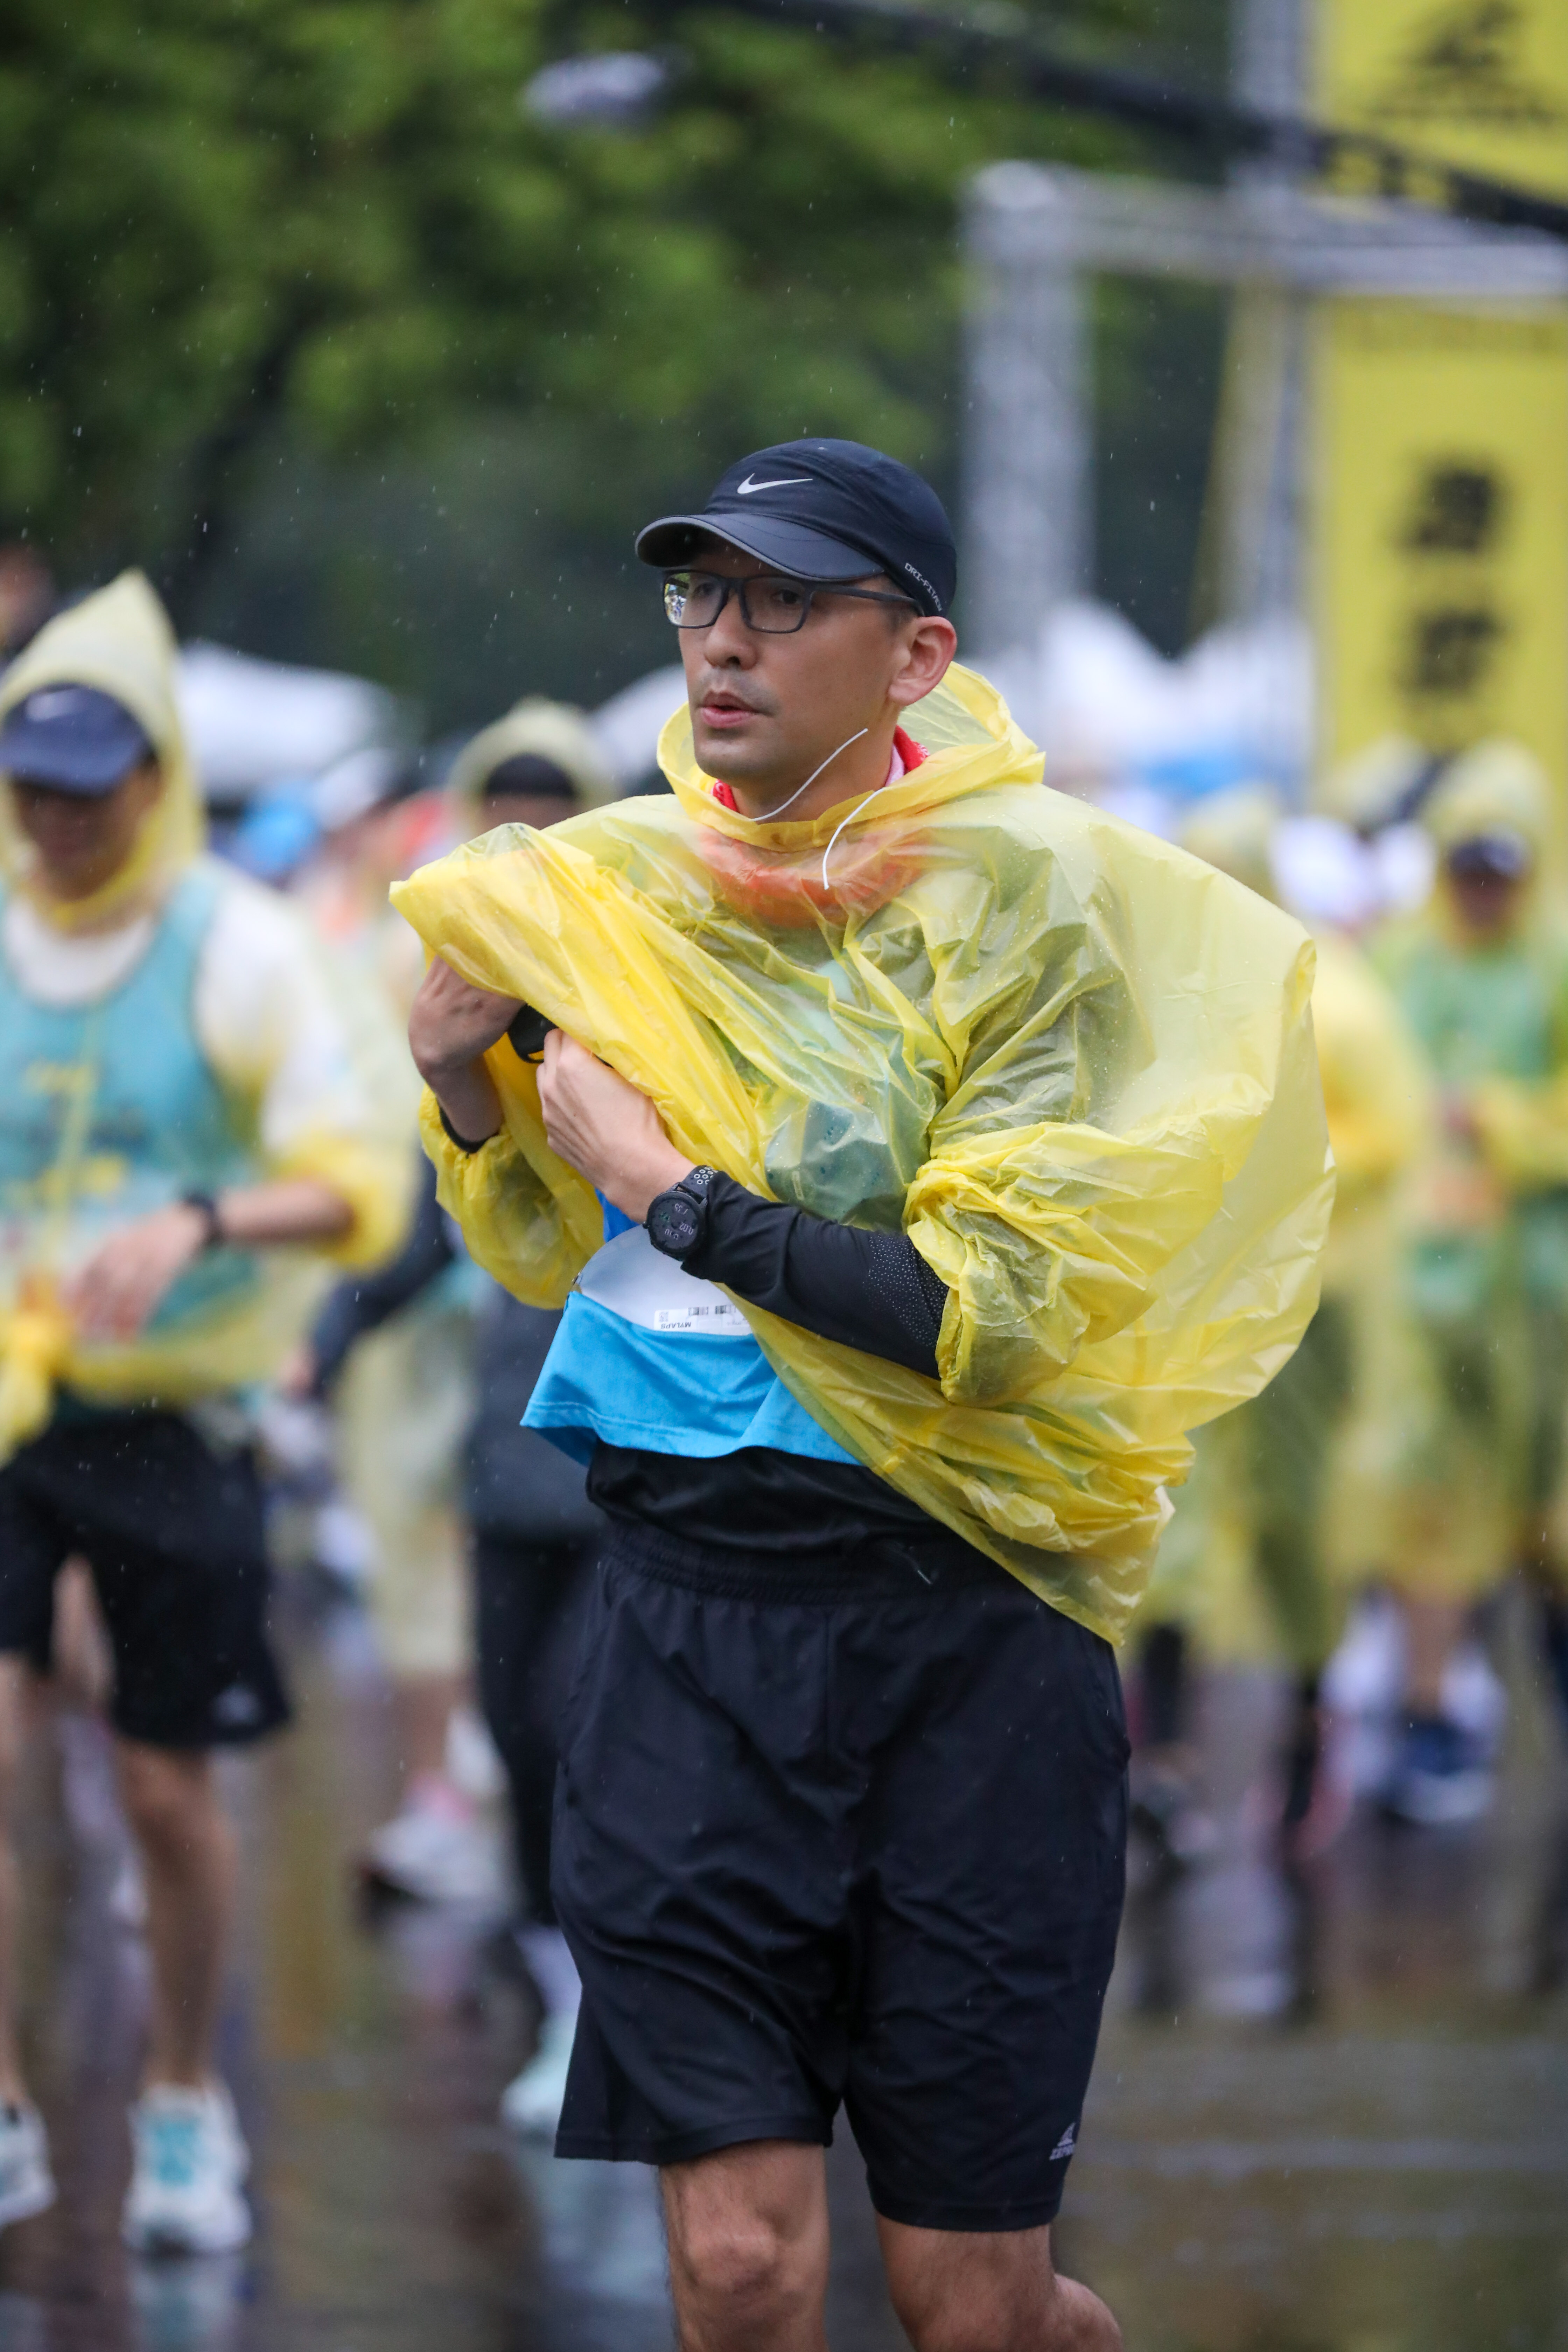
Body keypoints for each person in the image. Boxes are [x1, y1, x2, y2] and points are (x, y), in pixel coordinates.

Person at [397, 441, 1330, 2351]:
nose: (723, 643)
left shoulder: (1039, 918)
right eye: (703, 597)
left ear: (918, 656)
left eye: (786, 602)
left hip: (966, 1642)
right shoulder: (621, 896)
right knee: (740, 2270)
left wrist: (684, 1195)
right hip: (683, 1636)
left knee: (972, 2305)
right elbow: (542, 1237)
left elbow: (987, 1318)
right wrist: (462, 1091)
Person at [0, 573, 406, 2252]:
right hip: (12, 1409)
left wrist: (201, 1221)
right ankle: (6, 2105)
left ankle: (181, 2095)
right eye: (30, 788)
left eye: (88, 792)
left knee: (164, 1792)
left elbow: (360, 1183)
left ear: (157, 783)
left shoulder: (237, 949)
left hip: (180, 1417)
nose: (56, 823)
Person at [301, 705, 611, 2121]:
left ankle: (620, 1993)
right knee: (520, 1735)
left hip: (637, 1454)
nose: (530, 837)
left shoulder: (648, 991)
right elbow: (443, 1212)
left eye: (557, 810)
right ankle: (559, 1986)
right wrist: (326, 1337)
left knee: (584, 1724)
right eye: (508, 810)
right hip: (509, 1445)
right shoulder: (460, 1007)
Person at [1136, 789, 1434, 1854]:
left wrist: (1280, 1162)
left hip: (1309, 1305)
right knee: (1170, 1506)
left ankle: (1310, 1740)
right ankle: (1166, 1764)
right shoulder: (1173, 995)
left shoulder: (1335, 999)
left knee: (1297, 1519)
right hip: (1194, 1296)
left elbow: (1394, 1132)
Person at [1371, 742, 1568, 1821]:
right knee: (1430, 1506)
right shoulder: (1403, 959)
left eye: (1502, 868)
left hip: (1542, 1298)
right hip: (1425, 1296)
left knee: (1549, 1519)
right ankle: (1430, 1712)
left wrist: (1494, 1122)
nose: (1483, 889)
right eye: (1467, 866)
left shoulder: (1554, 960)